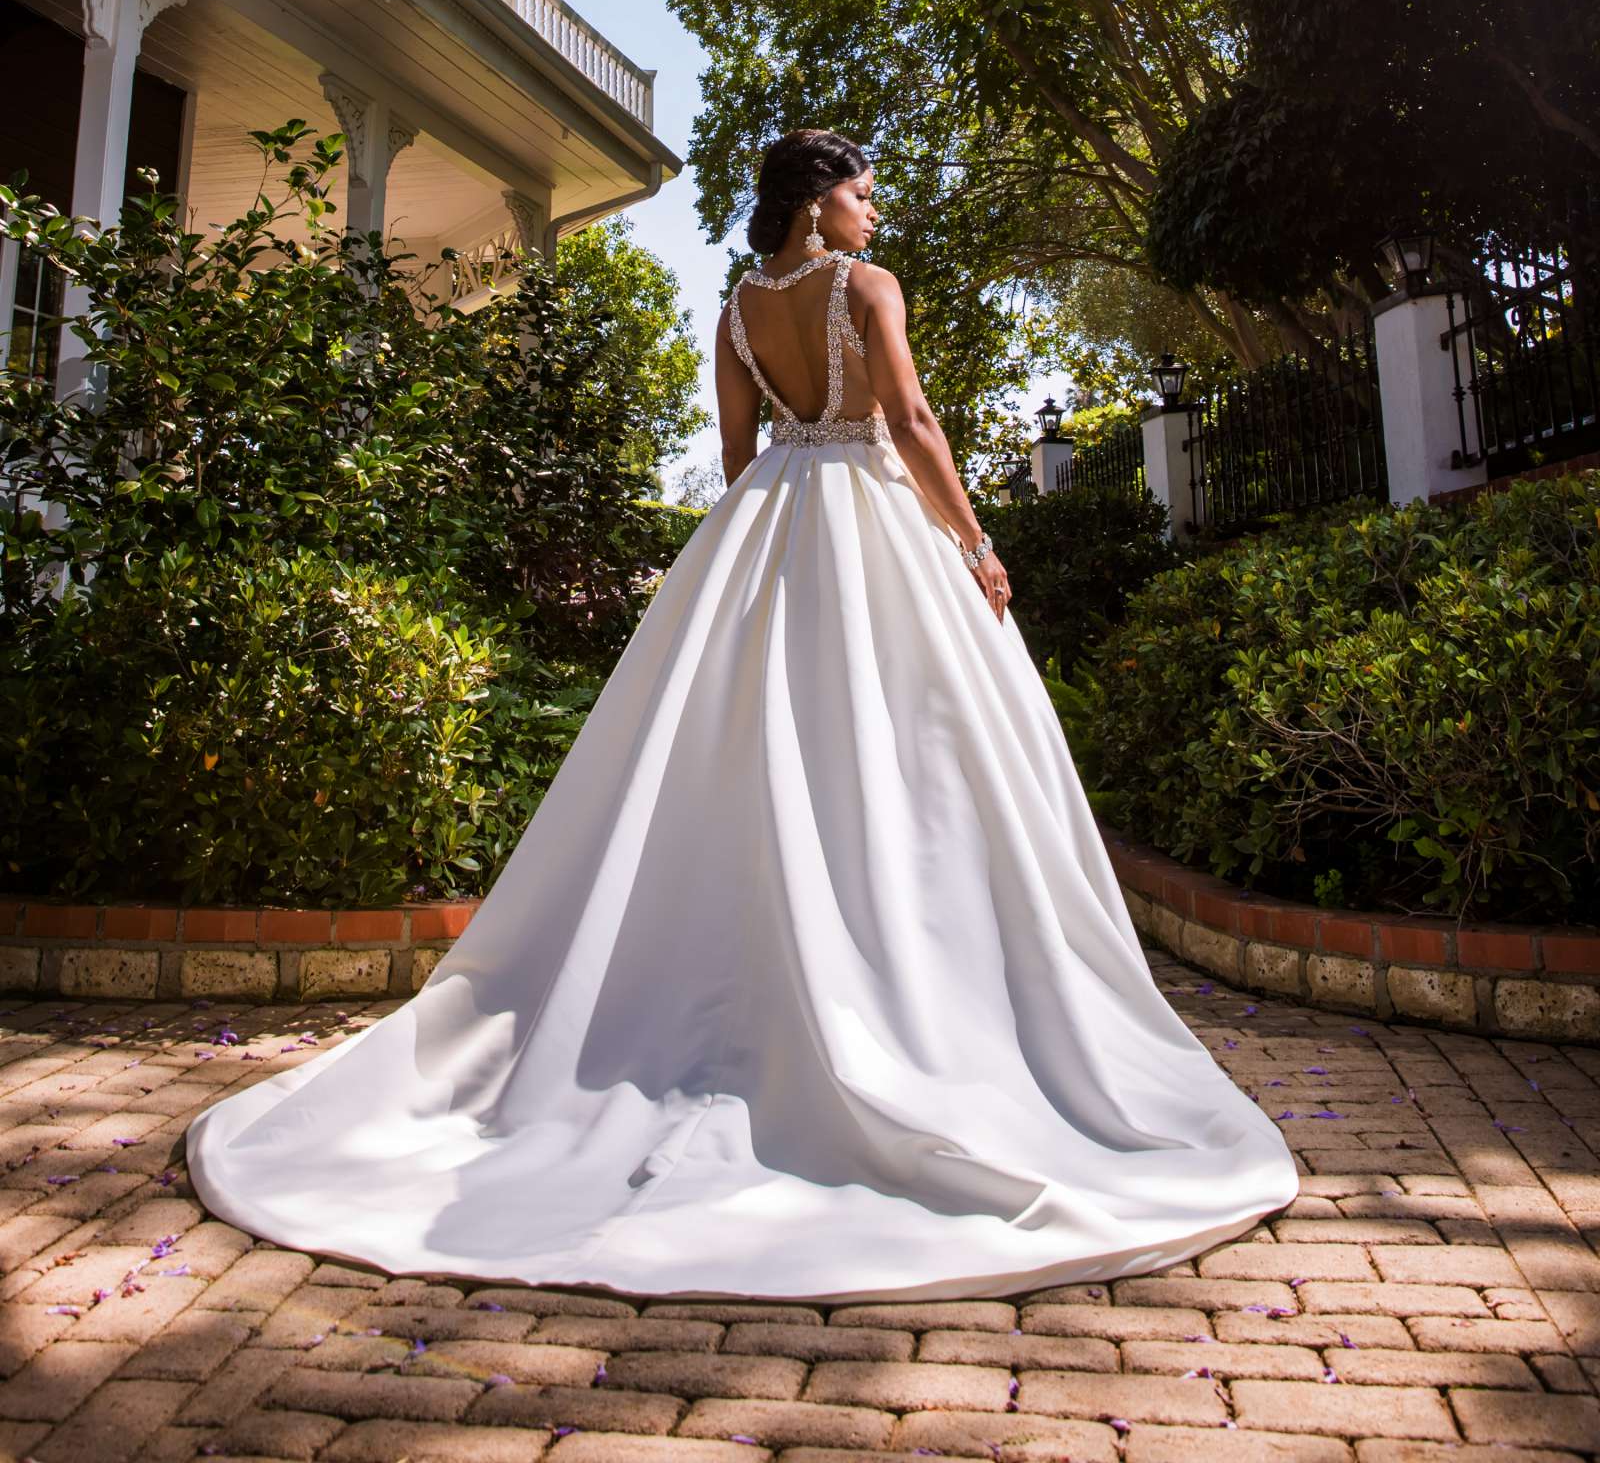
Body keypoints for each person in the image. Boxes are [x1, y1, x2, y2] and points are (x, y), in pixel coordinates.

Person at [185, 127, 1297, 1301]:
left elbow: (733, 456)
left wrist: (761, 552)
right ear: (817, 206)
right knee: (906, 756)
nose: (875, 217)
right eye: (864, 197)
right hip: (872, 515)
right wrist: (973, 541)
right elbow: (912, 424)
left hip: (770, 519)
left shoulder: (731, 311)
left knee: (754, 754)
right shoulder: (864, 287)